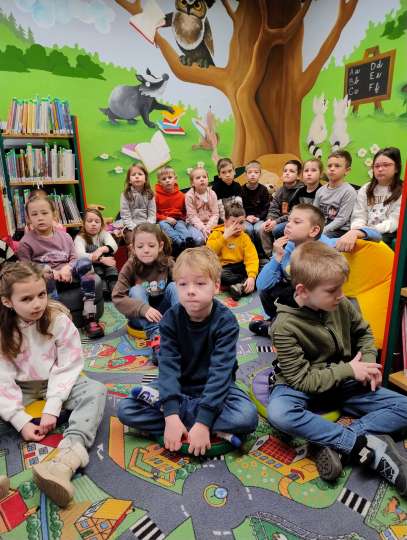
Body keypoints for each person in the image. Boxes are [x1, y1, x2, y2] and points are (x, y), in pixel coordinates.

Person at [267, 241, 407, 494]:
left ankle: (338, 442)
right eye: (333, 290)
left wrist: (368, 363)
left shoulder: (339, 303)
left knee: (405, 406)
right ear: (303, 291)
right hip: (300, 386)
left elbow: (364, 332)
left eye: (341, 287)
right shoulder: (283, 326)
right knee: (279, 413)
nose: (341, 295)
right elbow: (302, 380)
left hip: (343, 380)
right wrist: (350, 370)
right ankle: (358, 445)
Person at [117, 247, 258, 456]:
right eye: (183, 284)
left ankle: (188, 418)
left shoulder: (226, 322)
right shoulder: (170, 320)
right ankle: (198, 422)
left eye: (200, 284)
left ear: (216, 286)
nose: (190, 291)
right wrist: (171, 415)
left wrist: (203, 421)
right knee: (125, 409)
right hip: (179, 386)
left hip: (215, 388)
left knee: (246, 417)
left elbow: (220, 373)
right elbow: (168, 368)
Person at [0, 261, 106, 507]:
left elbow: (69, 364)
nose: (37, 304)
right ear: (7, 301)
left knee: (96, 390)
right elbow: (2, 376)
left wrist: (53, 405)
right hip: (19, 387)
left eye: (41, 294)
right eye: (26, 299)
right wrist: (19, 419)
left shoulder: (58, 320)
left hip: (56, 382)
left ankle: (65, 462)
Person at [250, 204, 382, 337]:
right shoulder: (287, 247)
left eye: (296, 222)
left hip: (316, 302)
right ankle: (278, 322)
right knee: (269, 288)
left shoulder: (327, 246)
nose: (288, 225)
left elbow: (377, 236)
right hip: (296, 294)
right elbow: (261, 285)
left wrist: (355, 232)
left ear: (314, 231)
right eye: (289, 221)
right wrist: (277, 257)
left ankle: (286, 329)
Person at [17, 195, 104, 339]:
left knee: (86, 264)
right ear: (28, 218)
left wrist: (68, 268)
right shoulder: (25, 243)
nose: (40, 218)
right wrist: (51, 271)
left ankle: (89, 315)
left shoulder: (66, 237)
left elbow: (74, 258)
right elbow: (25, 267)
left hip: (69, 274)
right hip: (47, 281)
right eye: (34, 214)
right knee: (45, 271)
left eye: (44, 213)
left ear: (54, 215)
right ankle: (56, 318)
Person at [112, 223, 178, 364]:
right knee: (137, 289)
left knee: (175, 286)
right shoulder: (130, 266)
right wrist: (143, 308)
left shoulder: (167, 262)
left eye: (151, 246)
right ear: (133, 248)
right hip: (140, 318)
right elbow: (117, 296)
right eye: (140, 246)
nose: (146, 250)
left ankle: (182, 326)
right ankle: (157, 337)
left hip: (164, 314)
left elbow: (184, 282)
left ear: (160, 246)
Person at [337, 147, 403, 251]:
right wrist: (357, 230)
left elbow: (394, 222)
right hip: (361, 232)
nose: (380, 169)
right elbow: (359, 215)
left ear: (396, 168)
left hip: (385, 234)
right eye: (376, 166)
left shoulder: (402, 190)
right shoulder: (366, 188)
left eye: (386, 165)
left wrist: (365, 232)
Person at [207, 202, 259, 301]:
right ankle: (243, 284)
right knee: (220, 275)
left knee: (260, 269)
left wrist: (252, 276)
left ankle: (240, 286)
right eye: (233, 222)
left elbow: (251, 258)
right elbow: (209, 253)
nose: (238, 226)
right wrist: (224, 237)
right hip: (224, 268)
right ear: (225, 221)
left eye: (241, 223)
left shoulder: (244, 237)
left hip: (240, 265)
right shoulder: (217, 234)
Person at [260, 160, 303, 256]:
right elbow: (273, 207)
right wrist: (270, 219)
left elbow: (293, 213)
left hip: (292, 220)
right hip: (279, 220)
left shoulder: (301, 190)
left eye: (291, 171)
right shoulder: (280, 190)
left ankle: (283, 254)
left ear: (298, 176)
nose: (287, 173)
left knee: (276, 229)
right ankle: (270, 255)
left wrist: (276, 222)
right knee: (263, 227)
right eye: (285, 171)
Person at [74, 208, 118, 301]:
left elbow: (114, 246)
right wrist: (101, 259)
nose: (93, 224)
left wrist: (101, 250)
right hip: (92, 267)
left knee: (107, 253)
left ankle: (114, 287)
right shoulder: (80, 238)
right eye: (90, 221)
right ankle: (103, 288)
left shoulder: (103, 234)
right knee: (92, 248)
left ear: (101, 224)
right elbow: (79, 255)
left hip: (107, 266)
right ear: (84, 224)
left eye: (97, 222)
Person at [313, 150, 357, 238]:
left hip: (339, 230)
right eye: (329, 166)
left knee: (315, 239)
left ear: (347, 171)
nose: (332, 169)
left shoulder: (349, 191)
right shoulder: (320, 190)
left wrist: (322, 230)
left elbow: (342, 219)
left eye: (337, 166)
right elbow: (314, 212)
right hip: (321, 227)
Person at [155, 166, 193, 254]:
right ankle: (178, 241)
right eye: (164, 179)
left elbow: (185, 211)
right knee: (163, 225)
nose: (167, 180)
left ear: (175, 179)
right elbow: (154, 213)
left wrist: (182, 219)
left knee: (181, 226)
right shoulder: (156, 196)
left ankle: (188, 240)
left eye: (170, 177)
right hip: (164, 220)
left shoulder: (181, 195)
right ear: (159, 182)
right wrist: (165, 218)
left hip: (178, 219)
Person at [120, 163, 156, 245]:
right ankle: (132, 253)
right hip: (131, 227)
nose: (137, 176)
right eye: (133, 175)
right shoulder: (125, 195)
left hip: (147, 225)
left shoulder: (150, 194)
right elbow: (125, 216)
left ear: (145, 179)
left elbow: (152, 214)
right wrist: (134, 228)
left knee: (155, 238)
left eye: (140, 174)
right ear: (129, 180)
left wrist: (146, 227)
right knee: (133, 241)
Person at [185, 166, 219, 244]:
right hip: (194, 225)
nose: (202, 179)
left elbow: (215, 214)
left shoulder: (212, 193)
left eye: (204, 177)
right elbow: (192, 216)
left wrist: (208, 228)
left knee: (216, 238)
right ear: (192, 183)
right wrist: (203, 228)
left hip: (210, 223)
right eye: (198, 178)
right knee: (199, 239)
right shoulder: (189, 196)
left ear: (208, 180)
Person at [241, 160, 270, 254]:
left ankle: (261, 252)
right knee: (248, 229)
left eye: (256, 172)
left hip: (259, 218)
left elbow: (266, 208)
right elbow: (239, 208)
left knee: (258, 229)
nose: (253, 175)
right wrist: (246, 217)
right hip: (246, 218)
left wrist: (258, 218)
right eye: (250, 172)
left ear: (260, 175)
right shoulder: (241, 190)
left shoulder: (263, 190)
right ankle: (250, 252)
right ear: (245, 175)